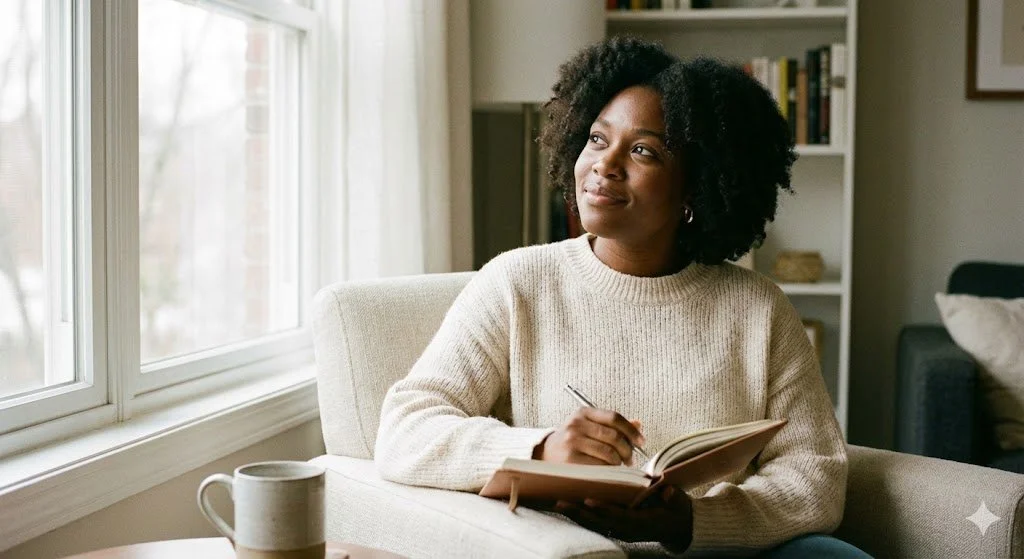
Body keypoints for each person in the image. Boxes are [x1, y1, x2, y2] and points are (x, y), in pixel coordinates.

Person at [374, 36, 868, 557]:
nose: (604, 164)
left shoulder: (759, 309)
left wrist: (692, 521)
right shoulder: (517, 283)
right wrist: (541, 448)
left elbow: (815, 476)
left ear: (695, 188)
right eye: (596, 138)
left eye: (642, 151)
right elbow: (406, 429)